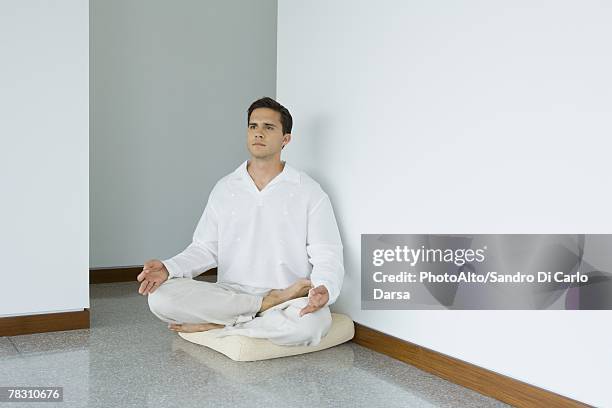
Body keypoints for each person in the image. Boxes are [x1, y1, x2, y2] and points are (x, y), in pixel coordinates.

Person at [136, 97, 344, 347]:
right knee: (160, 297)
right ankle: (260, 310)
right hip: (231, 295)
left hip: (289, 295)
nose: (258, 133)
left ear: (285, 139)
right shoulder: (225, 188)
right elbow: (204, 248)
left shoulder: (309, 191)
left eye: (268, 127)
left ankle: (220, 324)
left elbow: (327, 255)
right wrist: (169, 268)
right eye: (253, 126)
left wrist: (324, 289)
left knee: (313, 324)